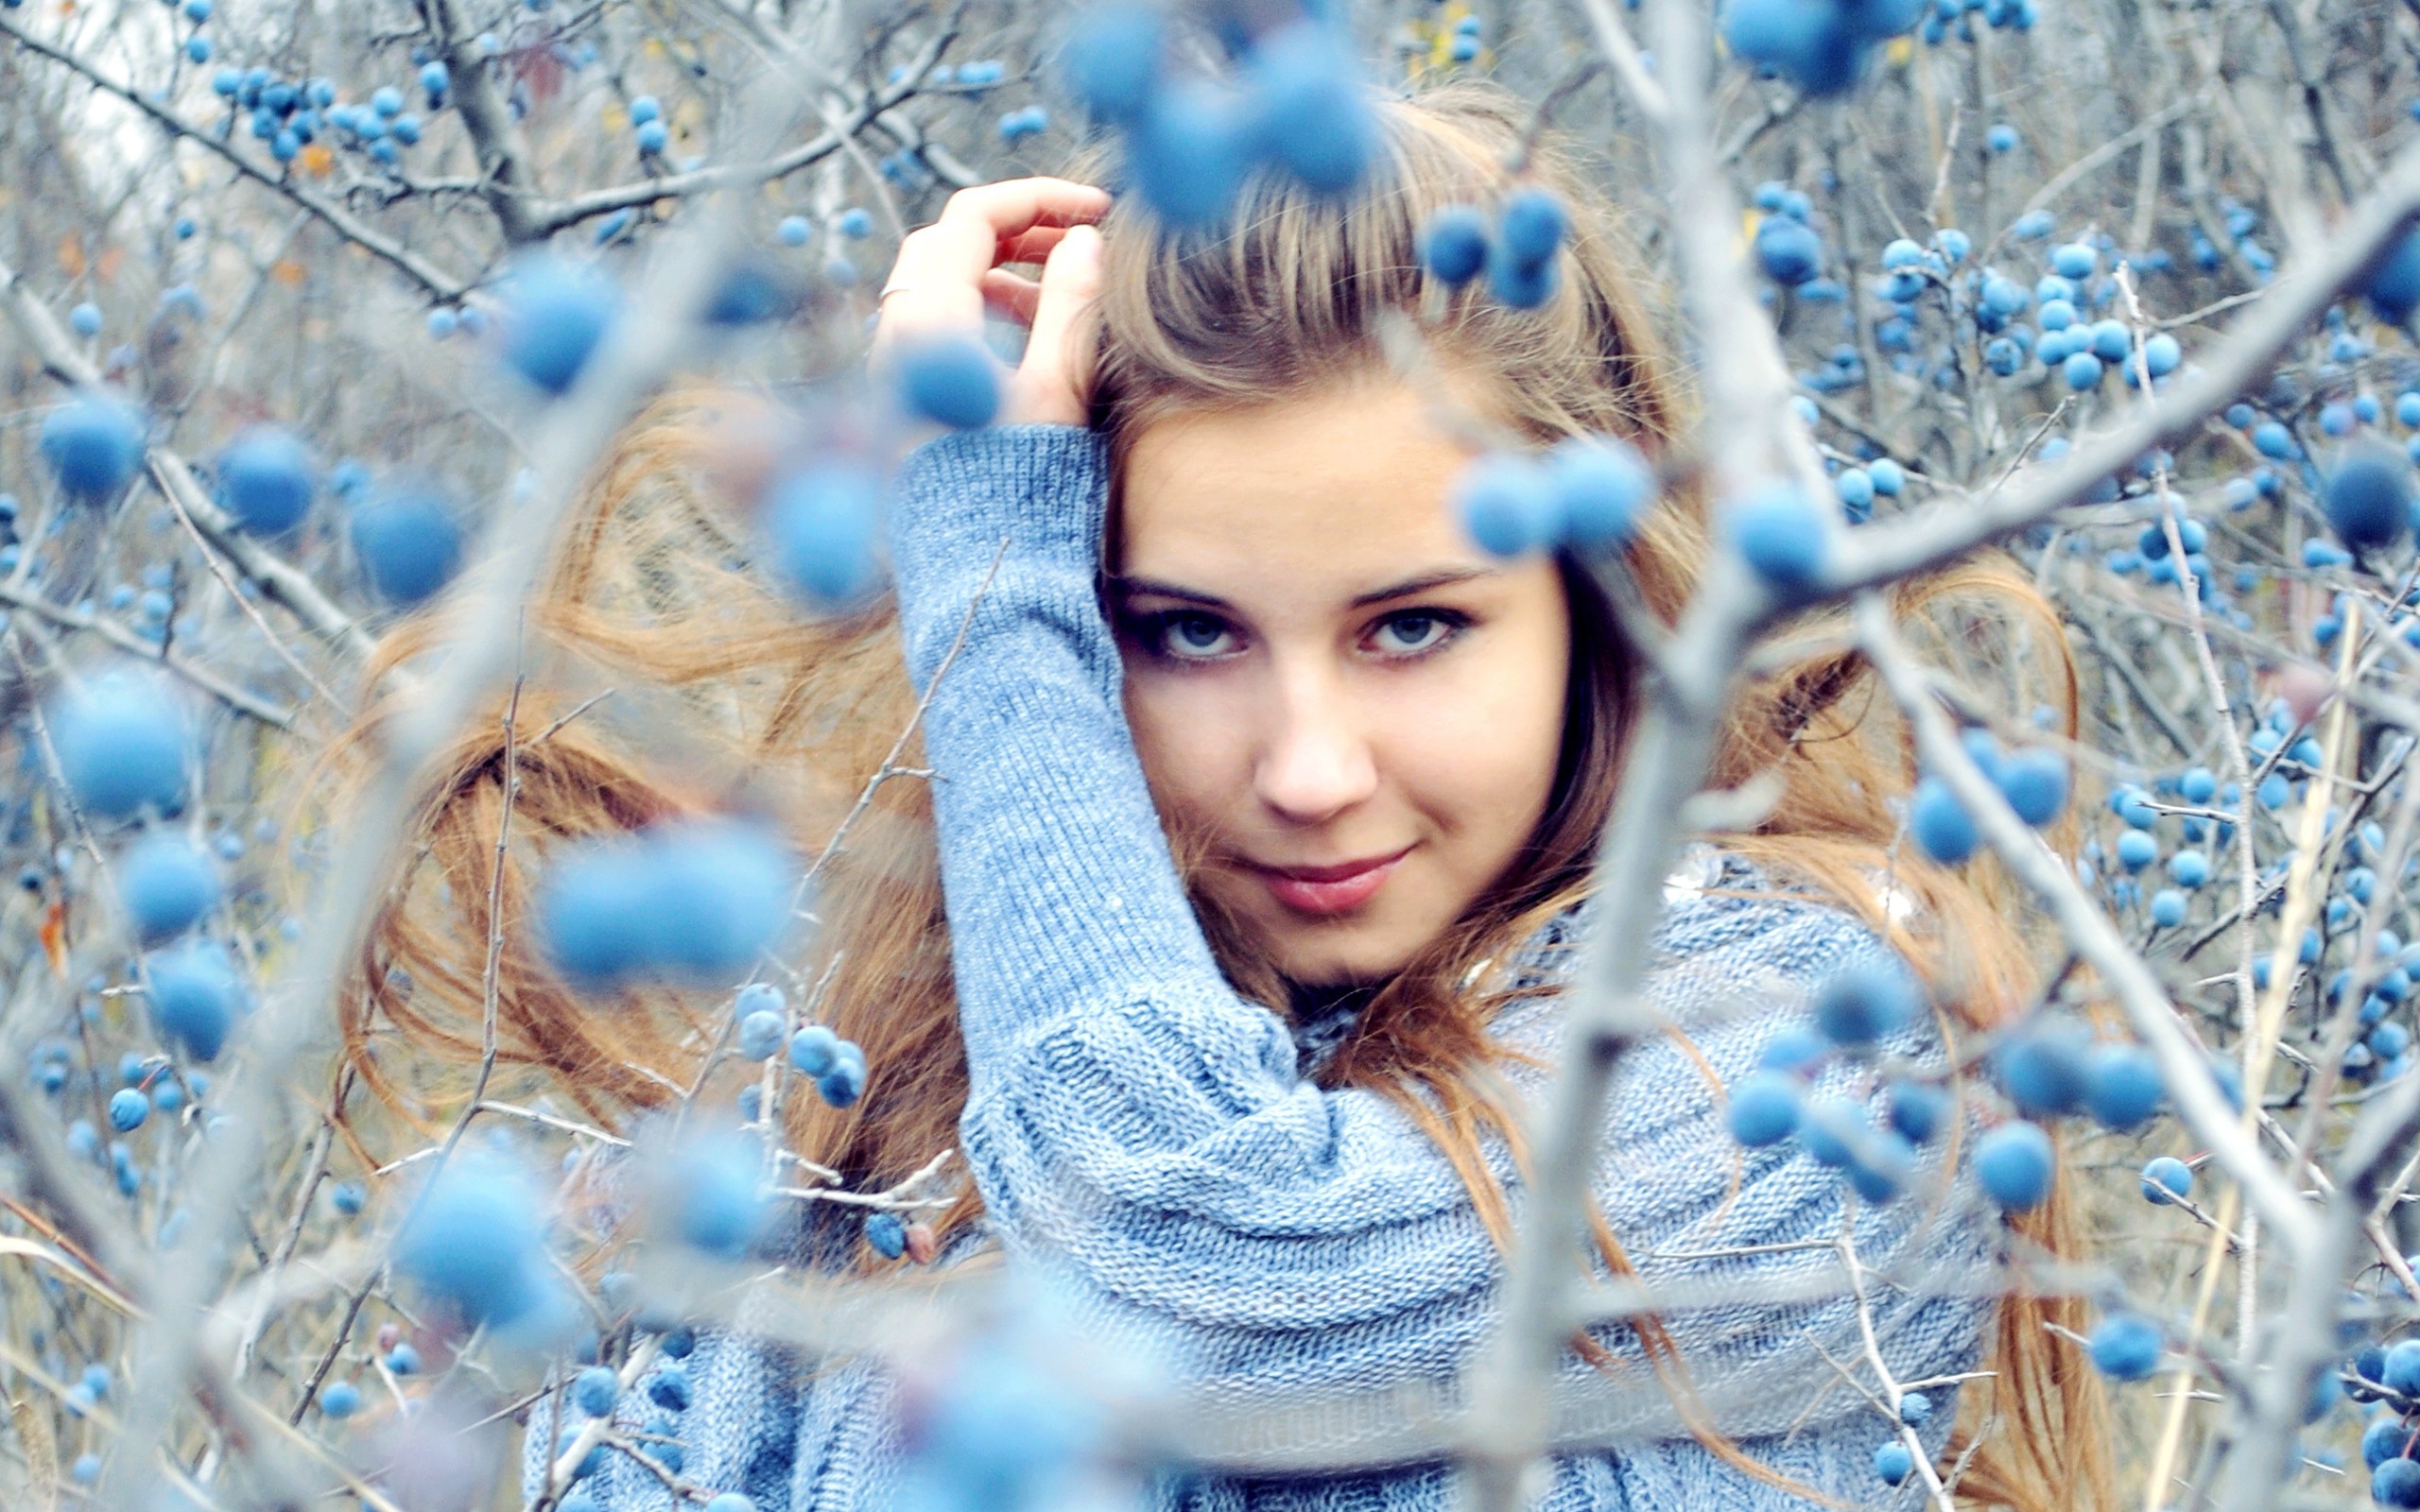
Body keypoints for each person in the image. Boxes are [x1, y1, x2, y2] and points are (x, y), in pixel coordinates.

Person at [312, 80, 2108, 1512]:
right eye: (1181, 632)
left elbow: (1194, 1262)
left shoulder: (1826, 1053)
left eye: (1414, 628)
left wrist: (997, 587)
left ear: (1600, 598)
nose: (1310, 774)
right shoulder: (895, 1102)